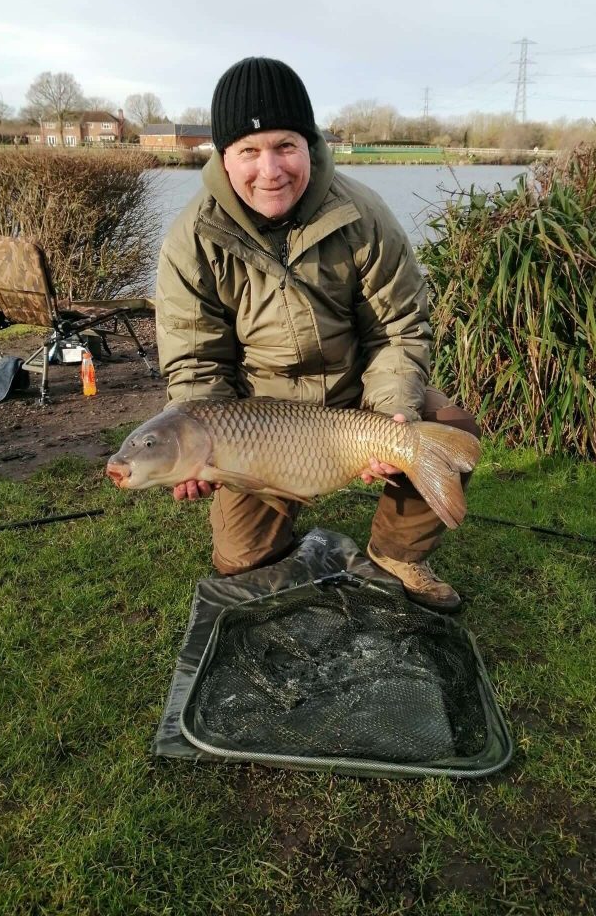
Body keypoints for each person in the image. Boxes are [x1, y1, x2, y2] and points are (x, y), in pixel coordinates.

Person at [155, 57, 479, 612]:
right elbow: (196, 360)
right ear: (223, 157)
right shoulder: (193, 238)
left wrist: (390, 415)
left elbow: (399, 331)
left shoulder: (364, 214)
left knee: (445, 425)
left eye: (285, 146)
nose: (270, 170)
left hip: (357, 398)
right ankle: (275, 538)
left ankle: (398, 552)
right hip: (258, 419)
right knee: (243, 563)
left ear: (310, 144)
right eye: (249, 152)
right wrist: (197, 444)